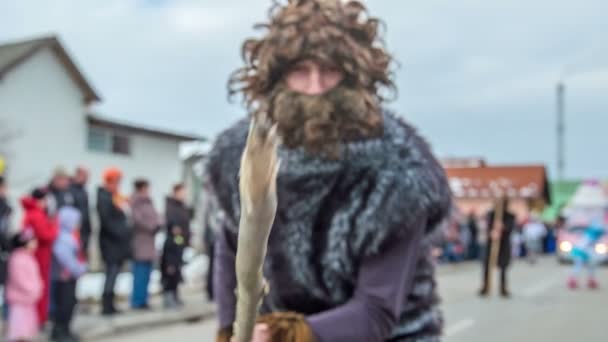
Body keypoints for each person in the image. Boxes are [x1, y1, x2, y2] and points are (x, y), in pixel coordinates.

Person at [208, 1, 451, 341]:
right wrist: (230, 327)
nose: (315, 86)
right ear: (276, 77)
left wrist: (289, 335)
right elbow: (231, 248)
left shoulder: (396, 172)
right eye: (300, 70)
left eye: (330, 70)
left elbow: (377, 311)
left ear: (355, 76)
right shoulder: (242, 153)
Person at [21, 188, 58, 326]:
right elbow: (46, 235)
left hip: (39, 255)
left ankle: (38, 317)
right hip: (40, 256)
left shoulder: (31, 213)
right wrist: (54, 226)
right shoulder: (36, 214)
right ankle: (39, 318)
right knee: (40, 287)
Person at [97, 168, 131, 316]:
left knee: (115, 274)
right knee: (110, 274)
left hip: (118, 244)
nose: (118, 185)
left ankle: (111, 304)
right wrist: (122, 231)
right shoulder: (104, 197)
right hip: (110, 243)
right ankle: (106, 306)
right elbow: (107, 221)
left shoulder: (115, 196)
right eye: (117, 181)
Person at [51, 207, 87, 342]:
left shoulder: (70, 236)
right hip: (63, 278)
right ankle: (60, 331)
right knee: (64, 305)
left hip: (69, 277)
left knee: (70, 304)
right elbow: (65, 258)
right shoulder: (63, 237)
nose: (78, 224)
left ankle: (65, 329)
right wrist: (78, 269)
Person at [6, 229, 43, 342]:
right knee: (19, 328)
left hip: (28, 300)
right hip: (20, 299)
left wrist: (38, 287)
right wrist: (32, 288)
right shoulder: (18, 258)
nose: (35, 243)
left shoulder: (28, 257)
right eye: (33, 241)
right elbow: (19, 279)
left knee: (27, 328)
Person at [130, 179, 161, 310]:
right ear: (141, 188)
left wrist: (158, 224)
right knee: (140, 272)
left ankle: (144, 299)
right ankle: (137, 301)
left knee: (147, 273)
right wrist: (152, 226)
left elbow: (157, 216)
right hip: (140, 242)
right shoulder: (135, 202)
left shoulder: (149, 201)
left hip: (150, 242)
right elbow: (137, 220)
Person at [479, 198, 516, 298]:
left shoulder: (510, 216)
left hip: (503, 245)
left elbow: (510, 228)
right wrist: (492, 232)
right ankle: (486, 285)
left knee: (503, 267)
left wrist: (503, 227)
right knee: (487, 265)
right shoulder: (491, 214)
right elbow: (488, 226)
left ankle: (503, 287)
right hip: (492, 244)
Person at [567, 219, 605, 290]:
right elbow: (585, 247)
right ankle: (573, 280)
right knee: (578, 267)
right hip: (580, 252)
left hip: (583, 252)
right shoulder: (590, 236)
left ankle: (590, 280)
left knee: (590, 266)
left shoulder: (591, 236)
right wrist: (591, 255)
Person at [160, 225, 186, 309]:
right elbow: (167, 255)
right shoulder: (168, 240)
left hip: (176, 265)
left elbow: (180, 249)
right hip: (169, 266)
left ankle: (175, 298)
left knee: (175, 283)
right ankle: (168, 301)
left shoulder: (178, 238)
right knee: (169, 283)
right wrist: (169, 265)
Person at [70, 166, 92, 257]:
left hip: (84, 230)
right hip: (75, 230)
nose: (87, 179)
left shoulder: (83, 191)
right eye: (85, 176)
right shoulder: (70, 189)